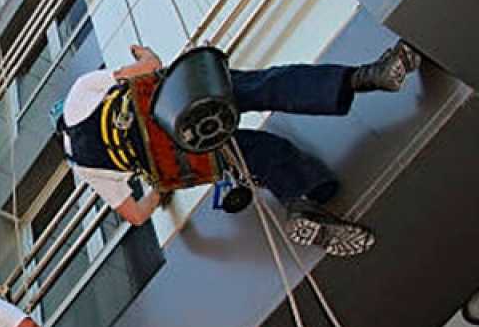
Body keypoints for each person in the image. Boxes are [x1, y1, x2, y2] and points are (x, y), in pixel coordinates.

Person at [52, 41, 421, 257]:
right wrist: (144, 54)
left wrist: (160, 191)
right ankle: (368, 76)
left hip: (185, 155)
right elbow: (149, 68)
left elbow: (134, 215)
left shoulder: (84, 167)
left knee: (260, 155)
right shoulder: (78, 94)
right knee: (268, 86)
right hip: (181, 105)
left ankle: (301, 206)